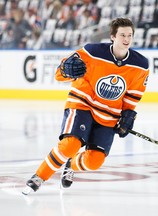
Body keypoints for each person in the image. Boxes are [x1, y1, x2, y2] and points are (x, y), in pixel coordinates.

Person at [22, 17, 150, 195]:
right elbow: (59, 73)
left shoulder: (141, 65)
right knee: (70, 145)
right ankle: (39, 177)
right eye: (122, 35)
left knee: (94, 161)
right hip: (83, 103)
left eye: (130, 35)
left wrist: (128, 114)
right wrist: (66, 70)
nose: (126, 39)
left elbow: (132, 95)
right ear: (112, 36)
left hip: (108, 114)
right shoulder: (92, 52)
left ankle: (71, 165)